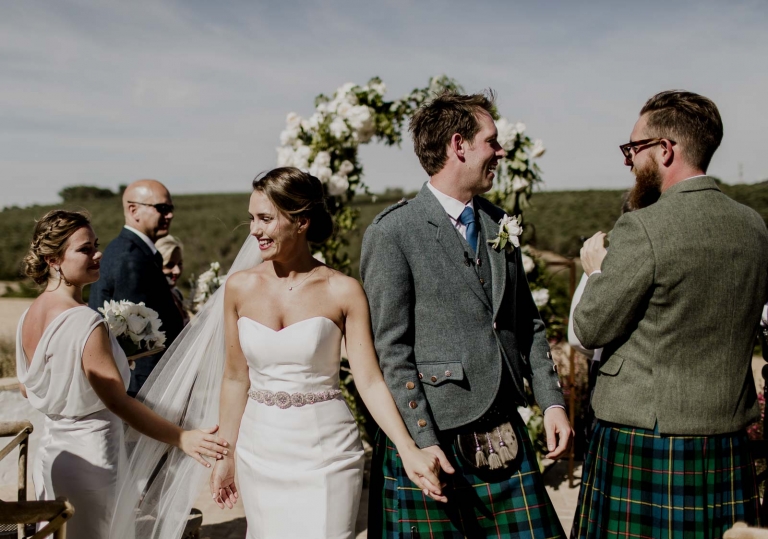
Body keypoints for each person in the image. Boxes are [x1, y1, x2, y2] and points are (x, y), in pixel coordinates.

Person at [361, 91, 573, 538]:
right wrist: (422, 441)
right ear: (459, 146)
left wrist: (551, 401)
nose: (500, 151)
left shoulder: (500, 224)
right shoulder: (394, 233)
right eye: (492, 141)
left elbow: (526, 323)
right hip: (437, 436)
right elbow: (391, 351)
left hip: (505, 429)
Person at [208, 167, 444, 539]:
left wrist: (408, 447)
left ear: (301, 221)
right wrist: (226, 455)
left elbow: (368, 379)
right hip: (259, 451)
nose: (254, 230)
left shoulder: (343, 290)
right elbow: (236, 377)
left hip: (327, 454)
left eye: (266, 219)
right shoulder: (238, 287)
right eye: (252, 218)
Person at [572, 90, 768, 537]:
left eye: (633, 148)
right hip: (725, 436)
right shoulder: (754, 226)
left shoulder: (643, 226)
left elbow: (590, 327)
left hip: (647, 436)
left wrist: (597, 271)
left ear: (665, 150)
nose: (628, 161)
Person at [15, 210, 230, 539]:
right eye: (85, 249)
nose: (97, 254)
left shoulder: (28, 316)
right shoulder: (83, 322)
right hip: (94, 460)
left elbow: (29, 389)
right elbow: (119, 403)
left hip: (52, 458)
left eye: (95, 245)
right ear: (54, 259)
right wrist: (182, 437)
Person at [88, 179, 183, 396]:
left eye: (171, 208)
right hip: (144, 388)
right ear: (134, 210)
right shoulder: (131, 258)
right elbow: (137, 343)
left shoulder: (130, 251)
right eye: (162, 208)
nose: (170, 215)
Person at [155, 234, 190, 327]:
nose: (177, 271)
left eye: (180, 264)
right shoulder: (154, 300)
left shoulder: (177, 293)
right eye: (170, 265)